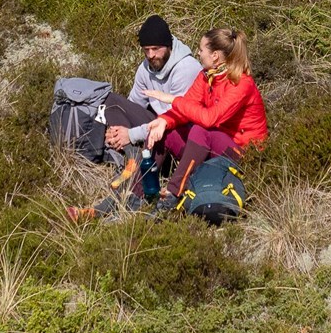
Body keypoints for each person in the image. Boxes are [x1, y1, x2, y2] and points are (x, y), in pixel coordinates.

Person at [83, 15, 201, 216]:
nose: (151, 55)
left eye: (156, 49)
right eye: (146, 50)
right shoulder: (145, 68)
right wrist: (117, 130)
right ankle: (132, 155)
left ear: (168, 45)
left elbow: (175, 118)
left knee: (161, 130)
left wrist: (130, 134)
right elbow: (133, 105)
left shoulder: (186, 69)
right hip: (155, 128)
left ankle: (114, 202)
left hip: (177, 135)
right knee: (111, 100)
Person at [137, 26, 267, 199]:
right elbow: (188, 105)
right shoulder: (206, 76)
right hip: (213, 147)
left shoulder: (241, 84)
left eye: (201, 50)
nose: (198, 53)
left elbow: (209, 119)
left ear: (215, 55)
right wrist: (164, 121)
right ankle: (136, 192)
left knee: (201, 129)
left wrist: (172, 99)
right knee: (163, 131)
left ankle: (173, 193)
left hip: (243, 155)